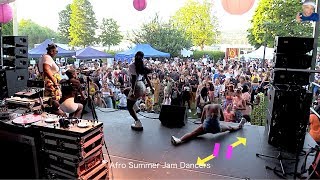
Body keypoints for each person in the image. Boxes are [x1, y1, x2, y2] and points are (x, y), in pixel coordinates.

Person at [171, 104, 246, 145]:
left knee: (192, 134)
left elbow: (202, 120)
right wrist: (216, 117)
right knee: (230, 128)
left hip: (206, 126)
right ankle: (239, 126)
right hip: (217, 127)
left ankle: (179, 140)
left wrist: (204, 124)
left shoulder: (205, 107)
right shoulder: (219, 106)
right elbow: (223, 119)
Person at [127, 51, 154, 131]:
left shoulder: (132, 66)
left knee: (129, 106)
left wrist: (132, 90)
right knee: (125, 90)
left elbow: (134, 79)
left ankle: (137, 122)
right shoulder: (141, 66)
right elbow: (146, 78)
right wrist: (151, 88)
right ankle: (136, 107)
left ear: (135, 56)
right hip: (142, 86)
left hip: (137, 87)